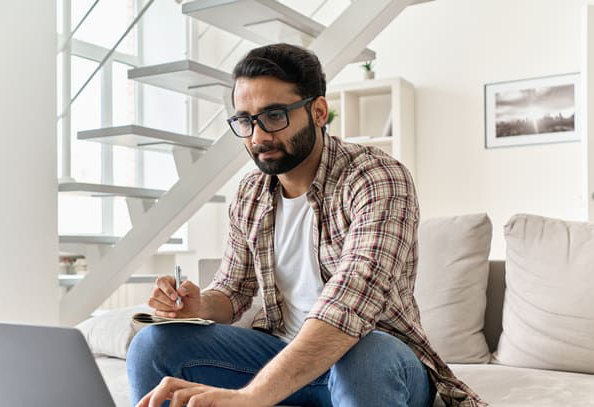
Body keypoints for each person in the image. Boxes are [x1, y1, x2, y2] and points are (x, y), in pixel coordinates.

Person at [127, 43, 484, 407]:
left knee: (363, 353)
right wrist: (199, 305)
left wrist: (252, 396)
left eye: (274, 116)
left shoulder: (376, 177)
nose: (258, 136)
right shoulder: (250, 193)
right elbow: (233, 290)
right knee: (153, 344)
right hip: (279, 356)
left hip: (376, 361)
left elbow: (351, 302)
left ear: (318, 111)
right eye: (246, 121)